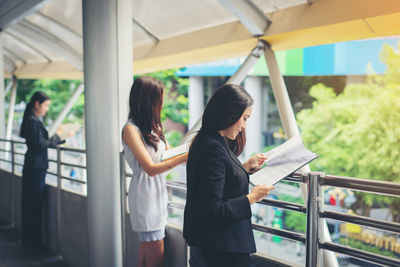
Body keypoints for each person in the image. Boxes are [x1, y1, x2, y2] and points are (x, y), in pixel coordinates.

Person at [183, 84, 275, 267]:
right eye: (244, 118)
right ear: (229, 114)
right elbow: (212, 209)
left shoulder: (210, 141)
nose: (243, 126)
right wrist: (251, 197)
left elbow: (218, 182)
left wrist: (245, 167)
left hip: (219, 244)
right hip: (223, 247)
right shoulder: (212, 147)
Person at [122, 76, 188, 267]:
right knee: (155, 254)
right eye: (160, 97)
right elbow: (150, 168)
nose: (163, 101)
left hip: (157, 193)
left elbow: (168, 155)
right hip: (145, 194)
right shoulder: (130, 130)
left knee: (147, 248)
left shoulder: (155, 128)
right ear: (148, 100)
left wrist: (191, 151)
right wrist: (184, 158)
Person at [19, 91, 66, 252]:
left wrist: (60, 138)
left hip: (33, 166)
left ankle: (30, 243)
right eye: (45, 105)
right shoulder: (33, 121)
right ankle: (33, 245)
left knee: (30, 206)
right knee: (34, 207)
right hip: (36, 168)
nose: (47, 109)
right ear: (37, 104)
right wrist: (58, 136)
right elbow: (40, 145)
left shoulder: (32, 120)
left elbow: (40, 143)